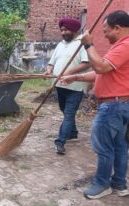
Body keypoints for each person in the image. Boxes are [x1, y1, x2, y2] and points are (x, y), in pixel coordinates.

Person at [61, 10, 129, 199]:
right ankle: (120, 184)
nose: (105, 35)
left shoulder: (125, 46)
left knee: (104, 148)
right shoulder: (121, 46)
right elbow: (102, 72)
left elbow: (100, 67)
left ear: (118, 28)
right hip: (120, 105)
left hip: (112, 107)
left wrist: (88, 44)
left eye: (106, 31)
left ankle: (102, 184)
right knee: (120, 147)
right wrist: (76, 76)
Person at [45, 17, 90, 155]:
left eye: (66, 30)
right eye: (62, 30)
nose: (63, 32)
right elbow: (51, 63)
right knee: (64, 111)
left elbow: (87, 63)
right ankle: (73, 132)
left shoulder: (83, 43)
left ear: (75, 30)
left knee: (69, 114)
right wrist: (48, 70)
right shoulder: (60, 45)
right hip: (59, 85)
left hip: (75, 87)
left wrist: (69, 72)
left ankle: (60, 142)